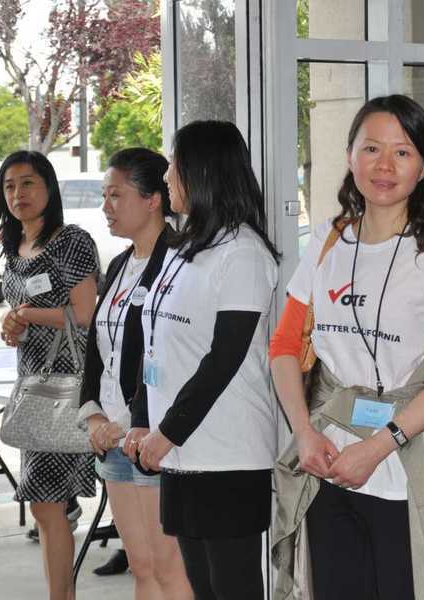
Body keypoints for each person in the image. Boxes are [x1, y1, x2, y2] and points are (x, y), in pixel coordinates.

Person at [269, 94, 424, 600]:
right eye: (371, 149)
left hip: (400, 466)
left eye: (402, 152)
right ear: (350, 156)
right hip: (325, 462)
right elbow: (283, 346)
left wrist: (376, 447)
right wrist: (303, 434)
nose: (384, 166)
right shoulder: (328, 240)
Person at [129, 120, 279, 600]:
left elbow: (223, 359)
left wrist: (166, 431)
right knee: (203, 588)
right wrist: (142, 421)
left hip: (227, 452)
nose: (166, 176)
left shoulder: (243, 252)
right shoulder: (182, 246)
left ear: (203, 172)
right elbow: (154, 341)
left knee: (232, 587)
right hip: (178, 447)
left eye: (174, 164)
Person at [77, 147, 192, 598]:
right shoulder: (120, 264)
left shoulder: (180, 261)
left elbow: (172, 357)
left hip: (151, 434)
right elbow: (97, 349)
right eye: (104, 196)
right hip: (111, 438)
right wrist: (94, 415)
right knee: (141, 567)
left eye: (116, 195)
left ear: (153, 199)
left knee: (169, 568)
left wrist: (127, 421)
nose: (106, 207)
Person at [0, 150, 98, 600]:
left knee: (47, 503)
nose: (18, 194)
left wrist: (27, 315)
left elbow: (86, 314)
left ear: (49, 188)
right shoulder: (15, 247)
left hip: (69, 387)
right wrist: (13, 326)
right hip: (34, 388)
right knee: (45, 507)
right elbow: (24, 312)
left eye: (28, 183)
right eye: (9, 186)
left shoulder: (70, 241)